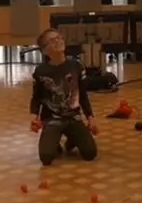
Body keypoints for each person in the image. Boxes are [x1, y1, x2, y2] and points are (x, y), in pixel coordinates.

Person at [29, 28, 98, 166]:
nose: (58, 41)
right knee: (46, 157)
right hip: (52, 119)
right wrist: (34, 116)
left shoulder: (76, 66)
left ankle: (73, 138)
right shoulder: (40, 71)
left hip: (73, 117)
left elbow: (83, 95)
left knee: (90, 153)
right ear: (44, 51)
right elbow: (36, 97)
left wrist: (91, 118)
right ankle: (54, 139)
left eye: (59, 37)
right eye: (52, 40)